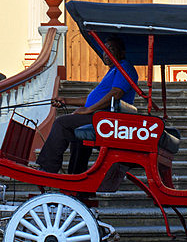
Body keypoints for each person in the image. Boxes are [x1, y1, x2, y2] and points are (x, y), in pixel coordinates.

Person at [36, 36, 138, 173]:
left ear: (122, 52)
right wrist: (66, 100)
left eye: (111, 49)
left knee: (62, 123)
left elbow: (116, 94)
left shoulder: (124, 67)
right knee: (76, 133)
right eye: (104, 50)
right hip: (100, 115)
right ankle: (75, 178)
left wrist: (88, 109)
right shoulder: (113, 70)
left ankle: (47, 167)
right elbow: (92, 98)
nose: (106, 54)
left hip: (107, 118)